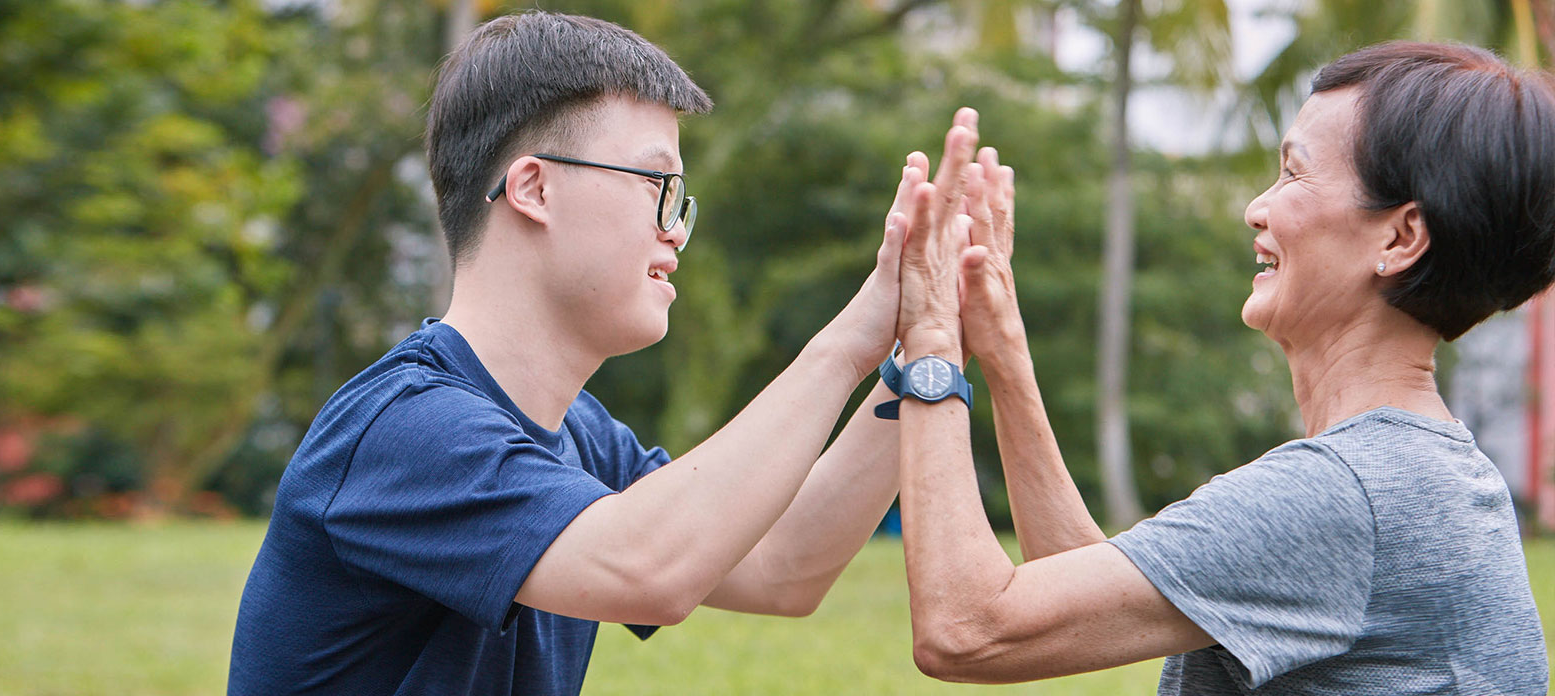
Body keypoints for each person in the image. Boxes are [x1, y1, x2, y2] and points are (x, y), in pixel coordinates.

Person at [227, 12, 981, 695]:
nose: (677, 230)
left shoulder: (578, 435)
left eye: (682, 199)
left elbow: (785, 568)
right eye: (659, 184)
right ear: (534, 189)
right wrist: (850, 338)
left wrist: (926, 346)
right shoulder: (403, 429)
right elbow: (649, 568)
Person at [882, 41, 1552, 693]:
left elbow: (966, 627)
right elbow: (1088, 597)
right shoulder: (1420, 473)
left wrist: (933, 339)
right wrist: (1005, 359)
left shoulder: (1344, 496)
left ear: (1400, 237)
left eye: (1294, 173)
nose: (1255, 208)